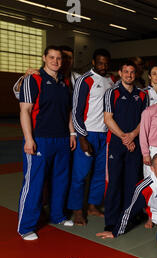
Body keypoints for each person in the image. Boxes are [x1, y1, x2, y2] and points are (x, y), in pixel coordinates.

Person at [17, 45, 77, 240]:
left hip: (61, 139)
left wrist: (72, 133)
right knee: (34, 183)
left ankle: (58, 215)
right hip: (40, 139)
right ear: (44, 58)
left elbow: (68, 111)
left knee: (60, 180)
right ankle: (25, 227)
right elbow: (25, 111)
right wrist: (28, 139)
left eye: (58, 58)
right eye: (51, 57)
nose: (55, 61)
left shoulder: (65, 83)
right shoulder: (33, 79)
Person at [68, 48, 115, 225]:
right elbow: (76, 112)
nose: (103, 66)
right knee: (80, 175)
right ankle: (78, 210)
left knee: (100, 173)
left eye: (106, 63)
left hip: (106, 134)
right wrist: (82, 137)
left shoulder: (111, 80)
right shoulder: (84, 80)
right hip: (88, 133)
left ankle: (93, 205)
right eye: (100, 62)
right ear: (93, 62)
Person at [103, 60, 148, 232]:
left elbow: (144, 121)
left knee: (131, 183)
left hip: (135, 145)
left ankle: (127, 217)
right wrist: (124, 137)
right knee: (114, 183)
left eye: (132, 72)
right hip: (116, 143)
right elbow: (108, 118)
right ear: (120, 73)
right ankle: (111, 219)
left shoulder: (142, 95)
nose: (129, 75)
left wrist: (133, 136)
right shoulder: (111, 93)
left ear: (135, 74)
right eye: (126, 72)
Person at [13, 45, 81, 99]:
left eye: (70, 58)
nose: (67, 61)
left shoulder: (80, 78)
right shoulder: (39, 75)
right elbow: (19, 95)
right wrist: (25, 77)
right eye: (64, 57)